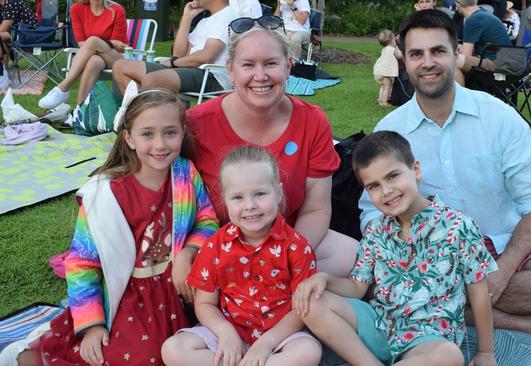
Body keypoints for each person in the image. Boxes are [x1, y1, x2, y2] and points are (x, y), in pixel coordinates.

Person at [360, 8, 531, 344]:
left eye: (438, 51)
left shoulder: (499, 117)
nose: (427, 62)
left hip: (501, 246)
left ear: (458, 54)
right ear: (405, 59)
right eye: (416, 54)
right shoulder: (390, 130)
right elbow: (372, 212)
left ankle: (453, 308)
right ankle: (521, 321)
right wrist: (411, 259)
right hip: (429, 260)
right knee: (374, 280)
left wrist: (502, 272)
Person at [10, 87, 219, 366]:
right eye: (147, 134)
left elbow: (207, 219)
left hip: (174, 291)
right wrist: (92, 325)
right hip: (125, 295)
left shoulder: (185, 173)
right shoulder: (105, 193)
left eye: (170, 132)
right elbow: (81, 263)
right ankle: (30, 356)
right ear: (129, 139)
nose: (160, 144)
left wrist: (188, 253)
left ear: (182, 132)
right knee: (136, 357)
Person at [295, 131, 498, 366]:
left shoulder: (457, 225)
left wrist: (486, 353)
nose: (387, 191)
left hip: (428, 338)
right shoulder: (376, 231)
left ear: (416, 170)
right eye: (374, 186)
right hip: (381, 325)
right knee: (309, 301)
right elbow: (357, 287)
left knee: (449, 356)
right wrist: (324, 279)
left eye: (393, 176)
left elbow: (479, 292)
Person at [185, 20, 358, 277]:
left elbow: (316, 208)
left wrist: (285, 259)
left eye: (270, 63)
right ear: (230, 69)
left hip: (287, 240)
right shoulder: (196, 123)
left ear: (288, 67)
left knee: (354, 257)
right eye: (248, 65)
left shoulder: (311, 120)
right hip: (217, 248)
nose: (261, 76)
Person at [162, 146, 322, 366]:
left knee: (308, 351)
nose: (250, 206)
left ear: (278, 192)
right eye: (237, 197)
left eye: (260, 194)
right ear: (225, 201)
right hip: (228, 334)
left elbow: (301, 308)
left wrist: (266, 344)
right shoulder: (215, 246)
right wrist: (226, 334)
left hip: (279, 338)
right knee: (173, 349)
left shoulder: (296, 246)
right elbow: (205, 304)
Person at [112, 0, 236, 95]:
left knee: (153, 80)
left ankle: (139, 115)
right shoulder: (205, 21)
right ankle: (138, 112)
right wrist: (187, 17)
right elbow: (178, 53)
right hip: (190, 70)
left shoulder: (227, 15)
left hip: (212, 76)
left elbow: (206, 56)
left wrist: (173, 63)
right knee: (120, 67)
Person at [38, 0, 128, 109]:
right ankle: (79, 111)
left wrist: (98, 43)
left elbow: (117, 43)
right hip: (94, 56)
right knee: (94, 62)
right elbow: (81, 42)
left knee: (93, 41)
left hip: (118, 59)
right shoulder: (76, 9)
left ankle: (64, 87)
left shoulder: (117, 9)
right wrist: (100, 44)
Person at [455, 0, 511, 82]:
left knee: (455, 60)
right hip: (508, 63)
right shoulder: (483, 13)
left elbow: (466, 56)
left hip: (497, 65)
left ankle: (459, 93)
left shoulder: (473, 20)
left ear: (457, 5)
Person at [0, 0, 37, 86]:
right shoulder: (3, 5)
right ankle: (3, 73)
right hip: (18, 33)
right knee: (1, 39)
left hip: (28, 35)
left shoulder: (11, 2)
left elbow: (3, 28)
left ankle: (3, 74)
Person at [373, 30, 401, 106]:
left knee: (383, 86)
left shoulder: (384, 49)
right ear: (392, 40)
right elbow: (400, 56)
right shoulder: (392, 49)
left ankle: (380, 99)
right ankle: (384, 102)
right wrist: (396, 47)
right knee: (387, 87)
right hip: (386, 73)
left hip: (380, 71)